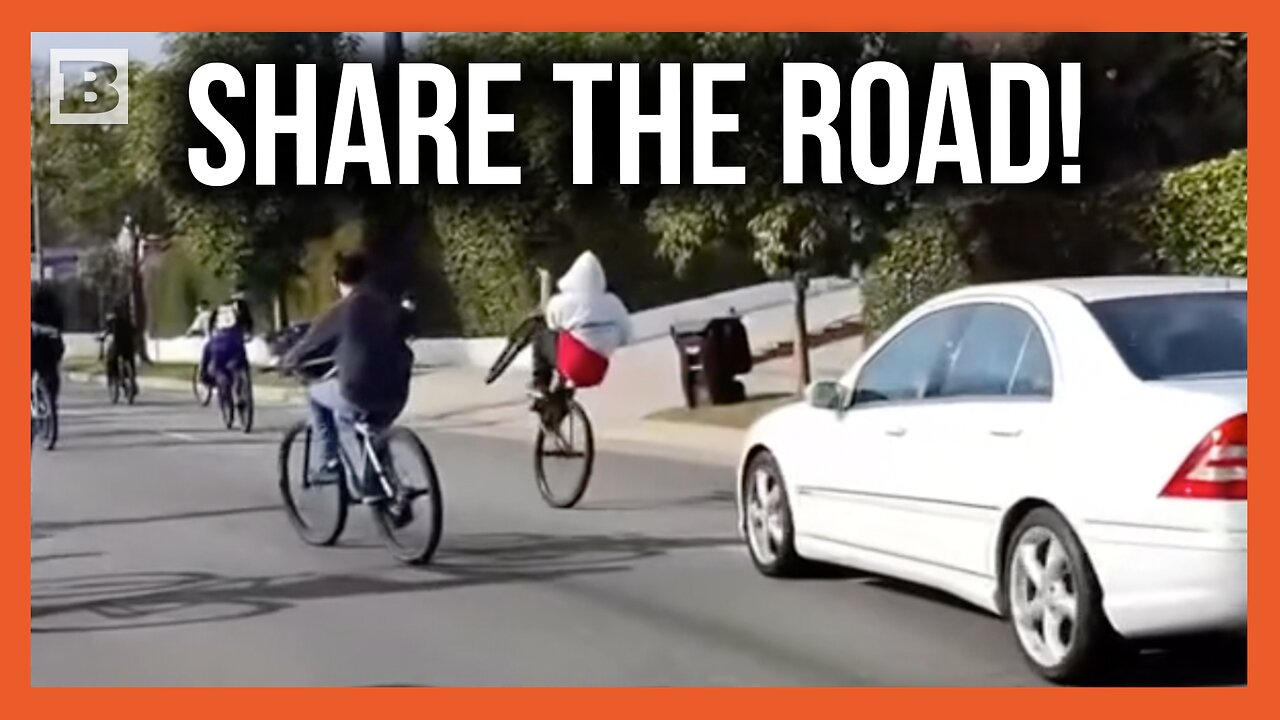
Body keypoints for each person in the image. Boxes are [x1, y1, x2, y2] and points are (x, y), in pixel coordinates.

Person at [281, 251, 414, 499]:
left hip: (359, 388)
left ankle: (328, 463)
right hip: (397, 391)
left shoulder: (342, 310)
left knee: (316, 395)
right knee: (374, 429)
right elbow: (407, 325)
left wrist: (286, 362)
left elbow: (308, 346)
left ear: (335, 281)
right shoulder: (388, 305)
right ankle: (383, 488)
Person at [529, 251, 632, 402]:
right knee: (574, 348)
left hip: (572, 363)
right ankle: (559, 406)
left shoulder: (561, 302)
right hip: (598, 370)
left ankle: (540, 384)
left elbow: (551, 323)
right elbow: (627, 336)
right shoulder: (613, 303)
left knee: (541, 334)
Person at [31, 284, 67, 405]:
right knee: (52, 376)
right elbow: (61, 327)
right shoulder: (56, 309)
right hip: (52, 350)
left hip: (37, 349)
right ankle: (51, 400)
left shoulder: (33, 308)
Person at [98, 300, 137, 386]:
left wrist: (102, 338)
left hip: (118, 346)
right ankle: (132, 380)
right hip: (128, 345)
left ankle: (113, 377)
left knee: (110, 360)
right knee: (130, 360)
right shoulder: (128, 320)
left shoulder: (113, 322)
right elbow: (135, 332)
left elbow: (107, 332)